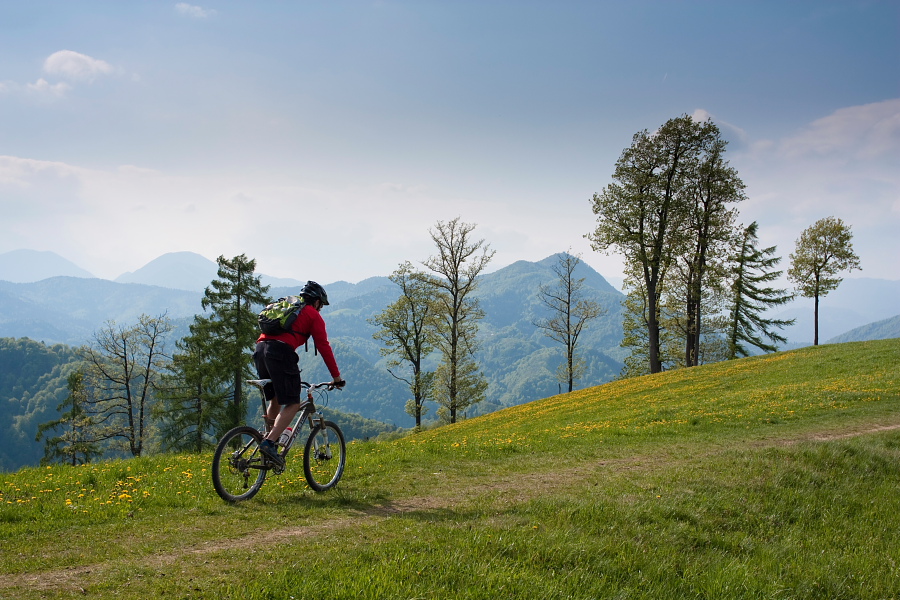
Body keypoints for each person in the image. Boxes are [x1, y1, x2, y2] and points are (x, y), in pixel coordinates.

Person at [253, 280, 345, 467]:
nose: (321, 309)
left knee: (276, 399)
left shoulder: (287, 306)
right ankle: (269, 442)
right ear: (317, 302)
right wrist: (337, 378)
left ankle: (269, 439)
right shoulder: (312, 314)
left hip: (260, 350)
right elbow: (324, 348)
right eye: (321, 305)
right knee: (294, 403)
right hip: (280, 353)